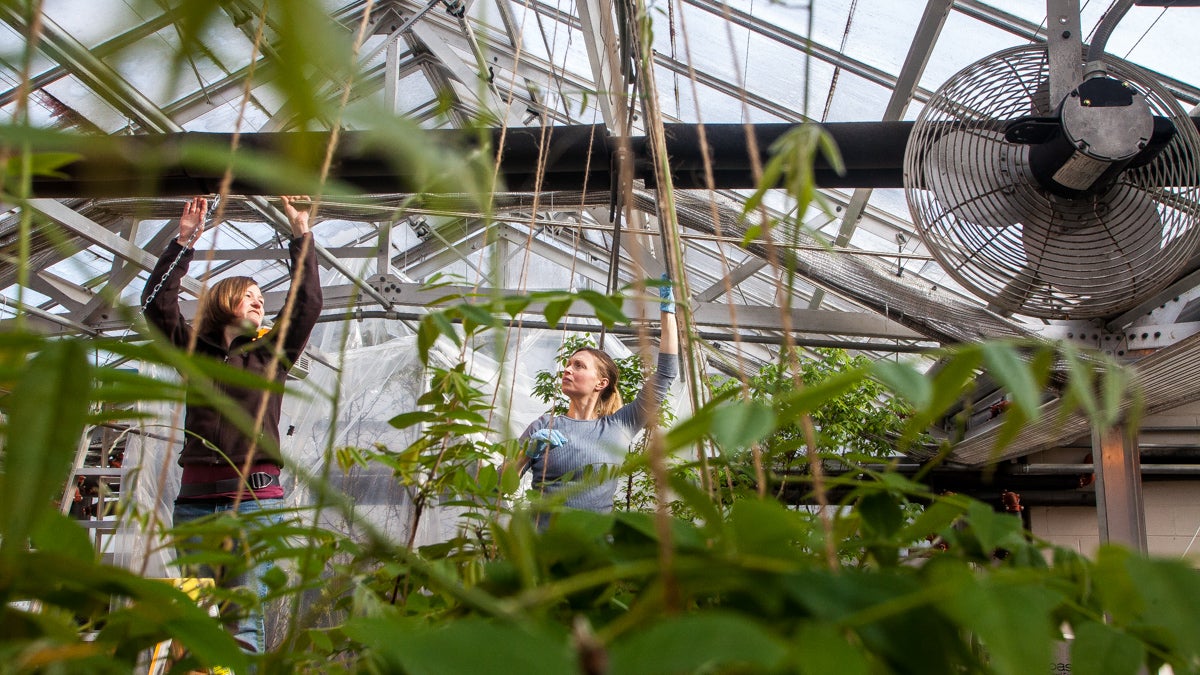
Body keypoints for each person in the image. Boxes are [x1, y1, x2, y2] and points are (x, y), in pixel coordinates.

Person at [141, 195, 323, 656]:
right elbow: (155, 305)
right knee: (193, 626)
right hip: (195, 506)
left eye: (263, 300)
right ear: (226, 302)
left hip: (252, 505)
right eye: (251, 297)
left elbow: (307, 304)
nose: (260, 304)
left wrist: (301, 234)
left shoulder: (271, 354)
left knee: (241, 626)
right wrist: (183, 242)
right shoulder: (193, 351)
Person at [518, 277, 679, 528]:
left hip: (595, 552)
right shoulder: (543, 427)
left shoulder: (620, 425)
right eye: (568, 365)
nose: (567, 370)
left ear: (601, 383)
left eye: (578, 366)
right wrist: (525, 454)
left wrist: (667, 310)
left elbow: (667, 373)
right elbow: (498, 485)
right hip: (543, 552)